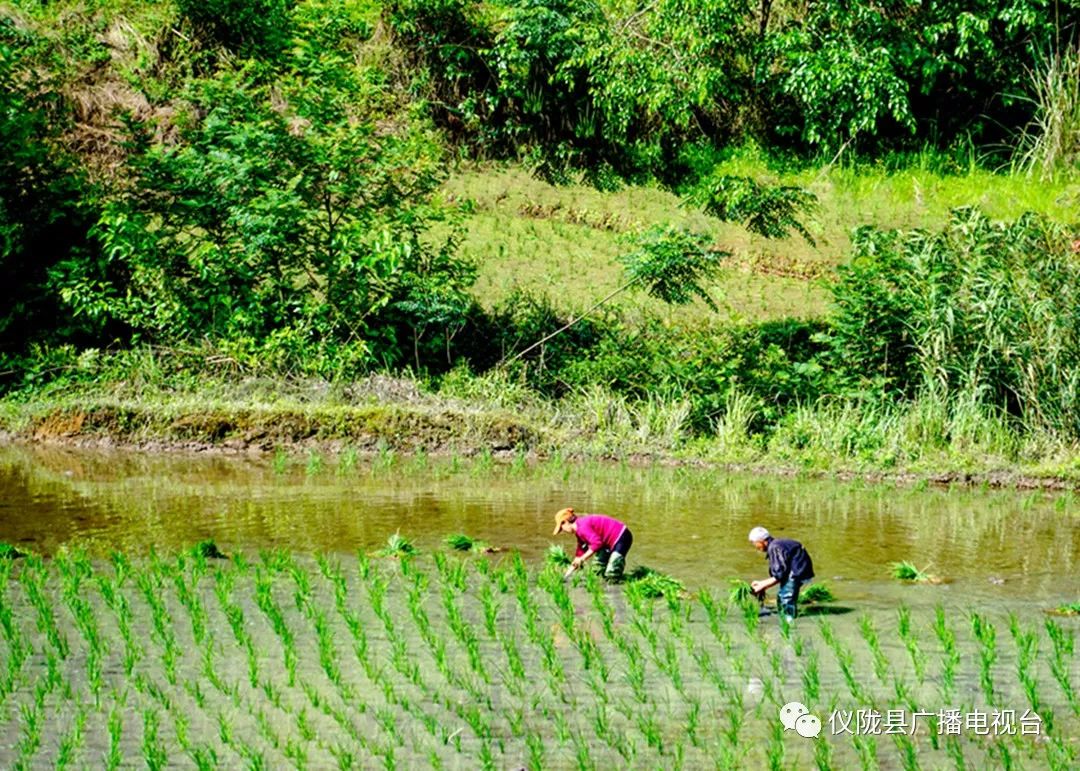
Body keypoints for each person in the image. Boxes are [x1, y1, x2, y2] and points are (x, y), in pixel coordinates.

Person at [748, 526, 814, 620]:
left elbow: (779, 575)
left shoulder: (775, 547)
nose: (755, 546)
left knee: (786, 598)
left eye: (754, 543)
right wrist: (763, 585)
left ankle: (789, 623)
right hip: (801, 569)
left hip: (797, 571)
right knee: (782, 597)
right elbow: (780, 573)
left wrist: (762, 585)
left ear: (761, 541)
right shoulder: (777, 544)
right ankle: (785, 619)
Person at [553, 507, 633, 581]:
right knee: (597, 569)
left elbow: (596, 544)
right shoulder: (579, 532)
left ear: (565, 522)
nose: (563, 531)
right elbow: (579, 556)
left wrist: (582, 559)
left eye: (561, 528)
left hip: (621, 537)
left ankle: (619, 585)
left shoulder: (582, 527)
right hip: (606, 543)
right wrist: (566, 576)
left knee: (612, 572)